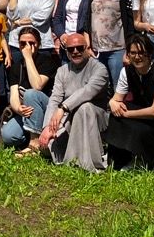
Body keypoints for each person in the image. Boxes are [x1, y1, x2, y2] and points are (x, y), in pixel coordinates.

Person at [38, 32, 110, 173]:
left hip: (95, 118)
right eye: (71, 49)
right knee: (48, 148)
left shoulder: (99, 69)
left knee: (85, 107)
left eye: (79, 48)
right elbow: (55, 98)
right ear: (66, 51)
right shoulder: (62, 71)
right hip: (68, 118)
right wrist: (48, 126)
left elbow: (87, 91)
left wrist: (63, 108)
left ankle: (87, 161)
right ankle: (72, 155)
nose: (75, 52)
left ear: (87, 48)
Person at [105, 32, 154, 170]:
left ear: (149, 54)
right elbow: (116, 100)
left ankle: (143, 160)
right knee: (116, 115)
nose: (137, 57)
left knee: (129, 121)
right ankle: (118, 160)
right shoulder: (126, 72)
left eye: (141, 53)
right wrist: (113, 103)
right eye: (133, 53)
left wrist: (126, 114)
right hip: (142, 117)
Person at [0, 26, 59, 154]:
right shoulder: (16, 66)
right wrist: (18, 109)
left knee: (31, 93)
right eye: (22, 43)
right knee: (8, 136)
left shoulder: (47, 61)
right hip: (27, 112)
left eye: (31, 43)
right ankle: (30, 135)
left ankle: (34, 144)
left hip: (46, 109)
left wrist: (28, 58)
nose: (26, 46)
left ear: (39, 44)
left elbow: (37, 85)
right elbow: (14, 95)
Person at [89, 0, 140, 85]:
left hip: (118, 49)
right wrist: (88, 45)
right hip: (97, 51)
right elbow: (88, 18)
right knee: (100, 89)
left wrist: (129, 50)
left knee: (119, 88)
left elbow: (132, 22)